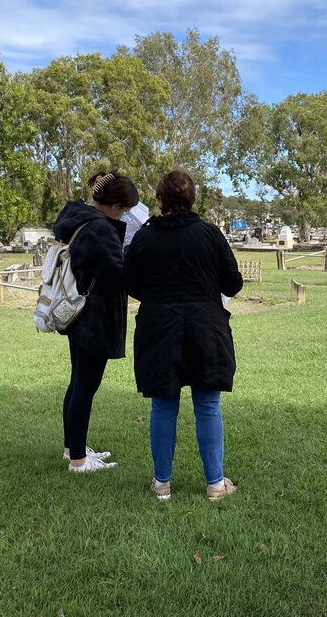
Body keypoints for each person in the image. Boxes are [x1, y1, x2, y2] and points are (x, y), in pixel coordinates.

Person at [123, 170, 244, 501]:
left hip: (160, 326)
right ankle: (215, 484)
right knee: (207, 405)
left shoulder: (144, 238)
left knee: (163, 405)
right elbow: (233, 282)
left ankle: (162, 483)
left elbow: (131, 283)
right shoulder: (210, 234)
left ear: (160, 200)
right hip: (204, 326)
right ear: (192, 199)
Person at [53, 170, 139, 474]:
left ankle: (71, 447)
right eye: (124, 210)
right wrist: (132, 252)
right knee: (85, 386)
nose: (125, 215)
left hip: (78, 313)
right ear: (114, 205)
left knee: (78, 382)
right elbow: (116, 276)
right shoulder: (100, 229)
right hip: (94, 316)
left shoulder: (79, 218)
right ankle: (78, 460)